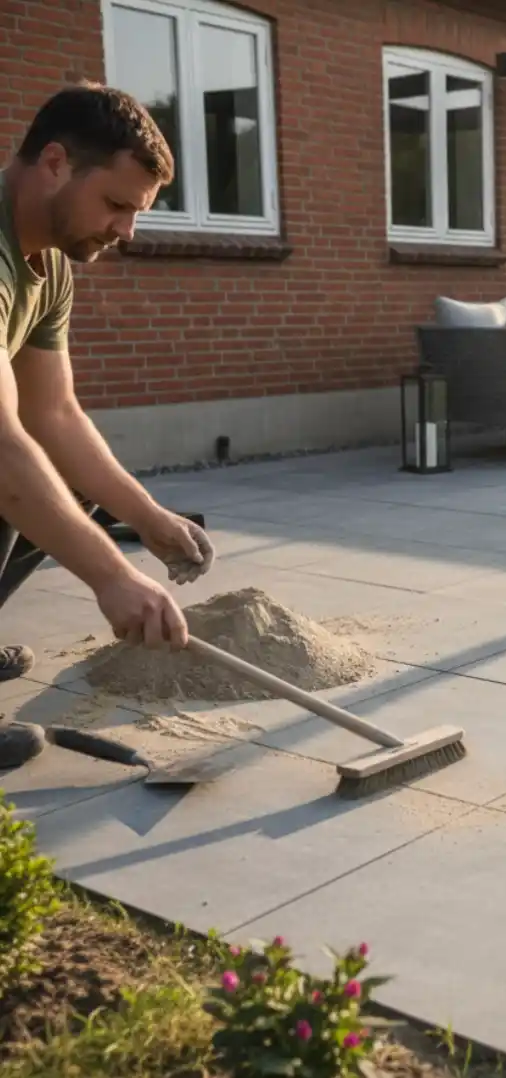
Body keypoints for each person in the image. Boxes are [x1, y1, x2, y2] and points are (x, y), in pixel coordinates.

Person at [0, 83, 215, 768]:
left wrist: (147, 517)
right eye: (117, 205)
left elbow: (53, 413)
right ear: (55, 163)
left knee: (66, 480)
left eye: (136, 212)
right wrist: (111, 577)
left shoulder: (48, 263)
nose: (127, 231)